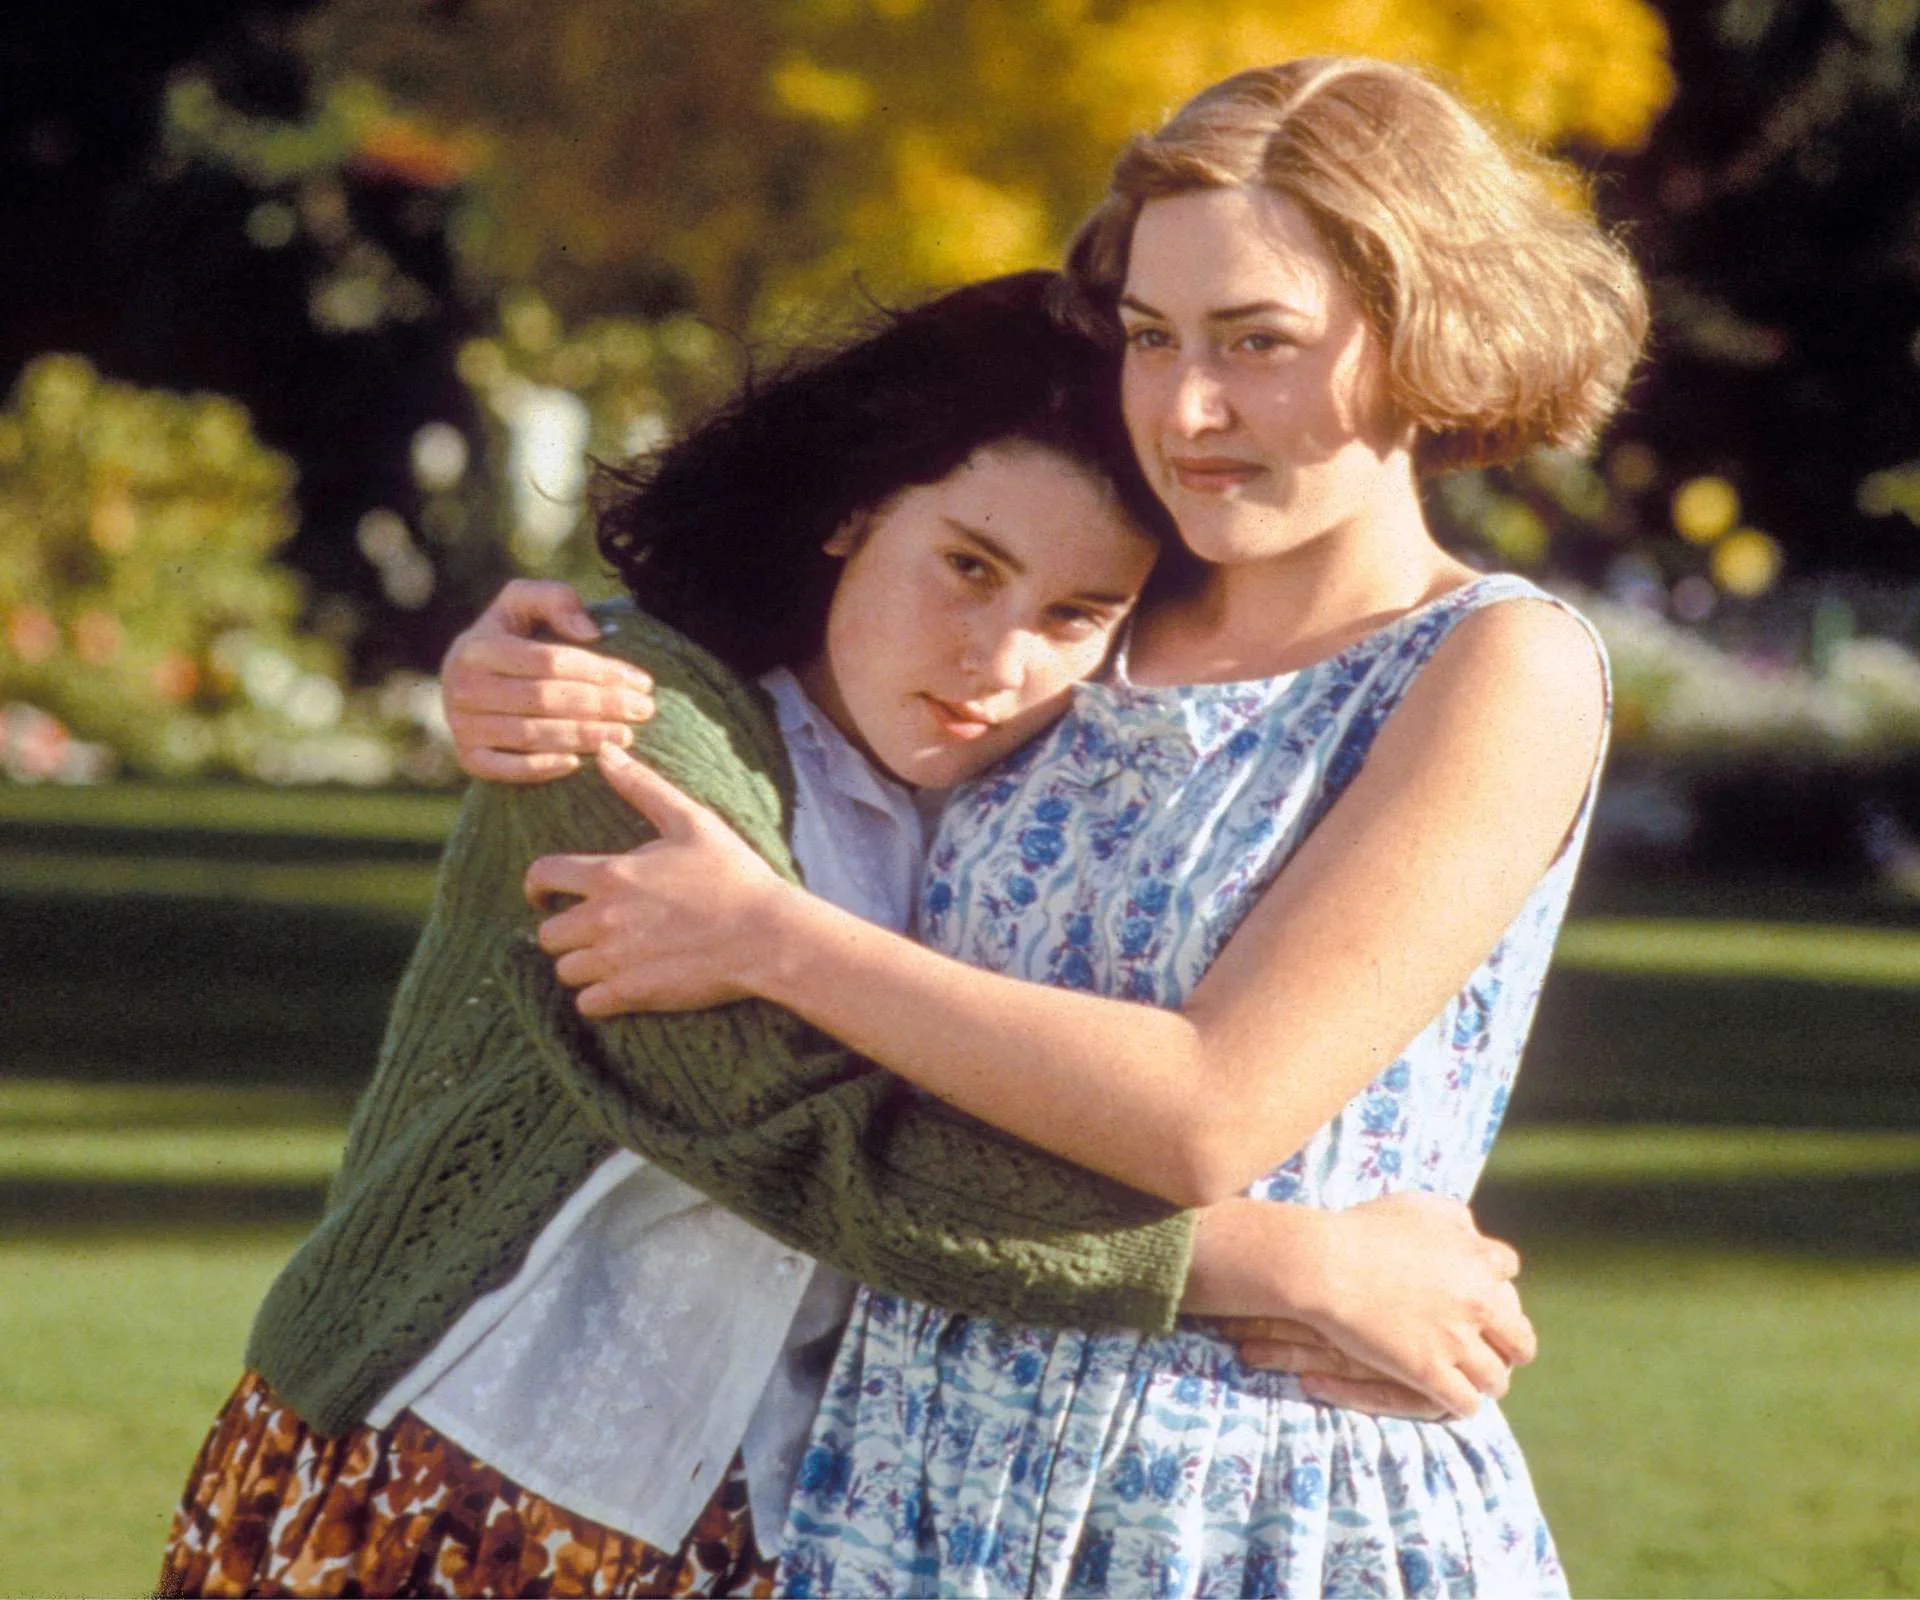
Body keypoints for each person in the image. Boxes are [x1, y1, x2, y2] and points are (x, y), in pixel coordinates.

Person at [158, 270, 1531, 1600]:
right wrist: (1284, 1266)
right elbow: (798, 1136)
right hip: (449, 1465)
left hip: (778, 1533)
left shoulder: (1033, 808)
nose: (999, 660)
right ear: (854, 512)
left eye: (1074, 613)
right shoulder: (623, 721)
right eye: (968, 566)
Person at [466, 57, 1646, 1596]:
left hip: (1246, 1506)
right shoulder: (1089, 609)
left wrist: (771, 941)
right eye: (1153, 339)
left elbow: (1208, 1114)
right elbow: (796, 669)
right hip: (897, 1482)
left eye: (1258, 342)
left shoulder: (1496, 665)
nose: (1187, 408)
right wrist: (514, 660)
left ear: (1429, 332)